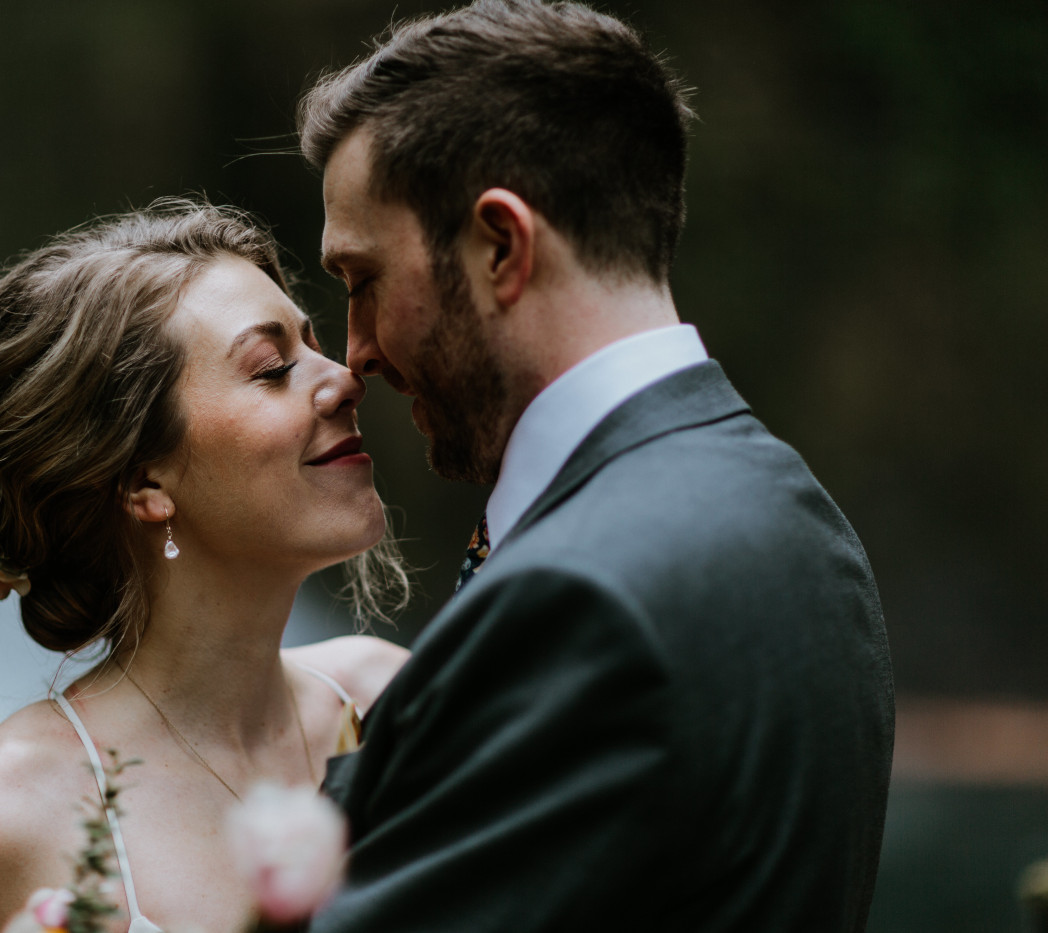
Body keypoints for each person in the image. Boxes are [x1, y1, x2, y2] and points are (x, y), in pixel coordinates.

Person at [297, 1, 895, 930]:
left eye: (363, 281)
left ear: (501, 245)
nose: (357, 351)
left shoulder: (579, 602)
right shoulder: (794, 510)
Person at [0, 201, 410, 933]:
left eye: (315, 344)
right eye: (273, 368)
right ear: (144, 483)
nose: (346, 377)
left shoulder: (392, 699)